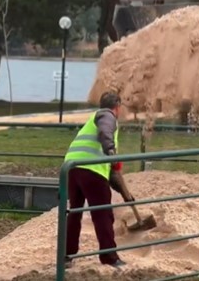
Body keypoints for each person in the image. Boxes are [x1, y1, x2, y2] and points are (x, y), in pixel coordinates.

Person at [63, 91, 127, 268]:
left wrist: (120, 186)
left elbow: (113, 174)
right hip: (91, 169)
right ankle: (109, 258)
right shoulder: (107, 115)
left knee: (74, 213)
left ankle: (66, 256)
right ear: (117, 107)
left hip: (71, 168)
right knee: (102, 214)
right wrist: (110, 151)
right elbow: (106, 131)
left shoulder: (93, 118)